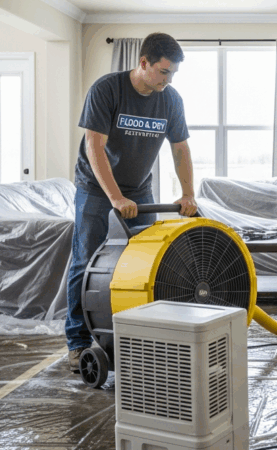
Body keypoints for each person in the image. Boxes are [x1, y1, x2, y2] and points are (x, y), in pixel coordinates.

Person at [65, 32, 199, 372]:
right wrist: (115, 198)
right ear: (144, 63)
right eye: (164, 72)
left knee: (145, 263)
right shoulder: (106, 90)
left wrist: (188, 193)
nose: (168, 81)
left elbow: (180, 148)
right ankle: (78, 342)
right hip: (97, 189)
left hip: (139, 189)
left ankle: (139, 333)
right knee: (86, 260)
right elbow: (94, 147)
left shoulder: (170, 100)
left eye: (173, 75)